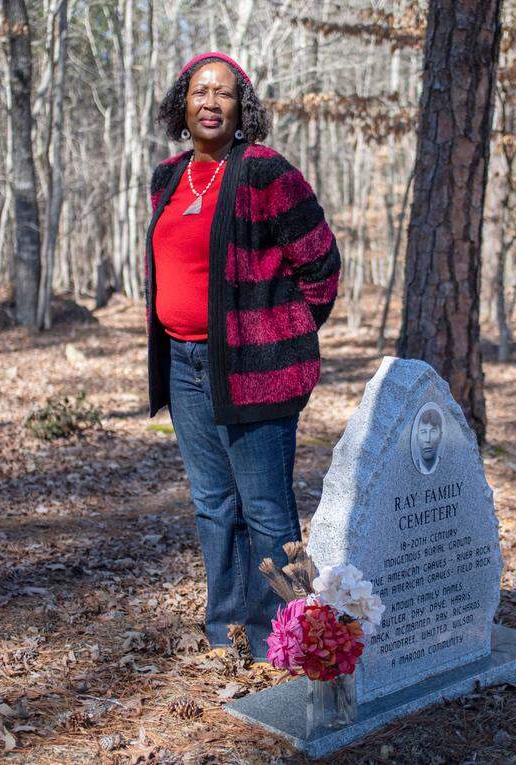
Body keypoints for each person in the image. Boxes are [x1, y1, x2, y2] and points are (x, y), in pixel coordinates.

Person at [145, 52, 341, 663]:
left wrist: (282, 334)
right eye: (199, 91)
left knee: (269, 510)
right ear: (182, 104)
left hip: (257, 371)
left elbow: (321, 265)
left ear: (241, 108)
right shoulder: (168, 178)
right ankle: (227, 626)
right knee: (212, 504)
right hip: (184, 365)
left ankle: (295, 635)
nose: (210, 102)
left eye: (223, 93)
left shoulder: (265, 173)